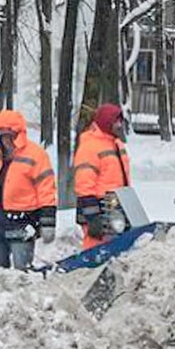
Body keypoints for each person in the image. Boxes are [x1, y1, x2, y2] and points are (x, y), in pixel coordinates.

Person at [0, 109, 58, 269]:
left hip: (23, 224)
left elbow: (46, 189)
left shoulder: (36, 155)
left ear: (19, 134)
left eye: (10, 135)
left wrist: (48, 222)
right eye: (2, 134)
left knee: (22, 274)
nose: (6, 139)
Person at [71, 103, 132, 250]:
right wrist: (93, 216)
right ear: (106, 122)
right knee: (96, 248)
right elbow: (84, 183)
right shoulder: (90, 146)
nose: (119, 125)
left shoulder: (117, 144)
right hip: (97, 206)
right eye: (116, 122)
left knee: (118, 248)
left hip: (116, 203)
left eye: (120, 122)